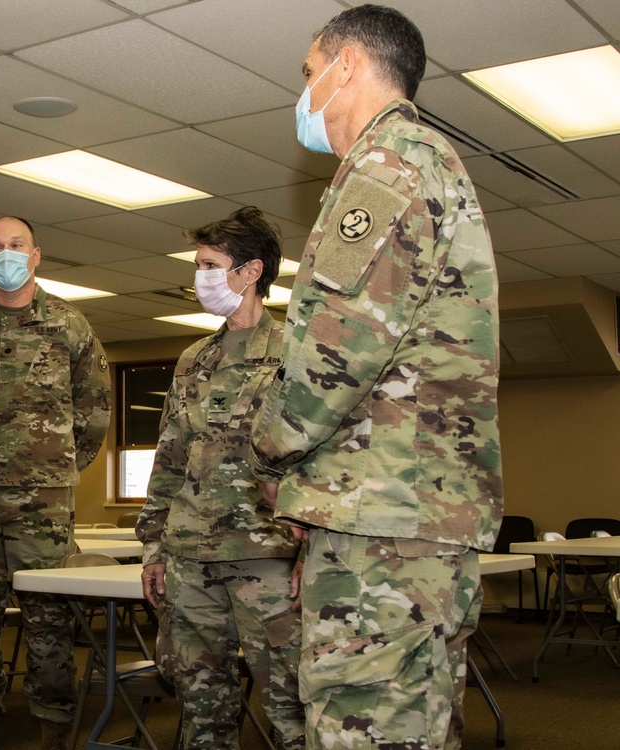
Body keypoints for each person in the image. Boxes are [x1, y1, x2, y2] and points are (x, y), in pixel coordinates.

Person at [248, 6, 503, 749]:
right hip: (411, 513)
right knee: (416, 722)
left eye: (309, 72)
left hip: (383, 519)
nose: (304, 92)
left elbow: (335, 350)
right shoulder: (427, 161)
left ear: (347, 66)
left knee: (369, 724)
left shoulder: (386, 164)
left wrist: (269, 451)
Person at [0, 215, 111, 750]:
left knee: (48, 619)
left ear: (36, 256)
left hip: (42, 496)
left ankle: (53, 730)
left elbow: (96, 410)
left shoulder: (69, 324)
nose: (6, 253)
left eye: (17, 245)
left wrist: (54, 467)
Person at [136, 207, 305, 749]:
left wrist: (313, 551)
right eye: (198, 265)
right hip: (191, 559)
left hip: (268, 557)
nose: (199, 278)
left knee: (290, 703)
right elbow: (169, 460)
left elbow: (320, 460)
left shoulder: (296, 355)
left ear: (251, 271)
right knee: (201, 705)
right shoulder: (194, 359)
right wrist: (154, 549)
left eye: (210, 265)